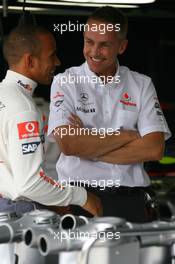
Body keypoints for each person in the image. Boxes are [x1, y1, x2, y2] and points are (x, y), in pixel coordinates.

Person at [48, 6, 171, 223]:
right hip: (80, 200)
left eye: (104, 44)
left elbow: (154, 148)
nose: (94, 52)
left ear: (122, 46)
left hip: (131, 202)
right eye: (89, 42)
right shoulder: (65, 81)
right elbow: (69, 145)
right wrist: (128, 136)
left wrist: (88, 144)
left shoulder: (141, 84)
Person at [0, 25, 102, 216]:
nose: (57, 62)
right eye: (52, 55)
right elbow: (29, 184)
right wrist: (83, 197)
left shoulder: (4, 95)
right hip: (17, 213)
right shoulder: (24, 109)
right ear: (30, 60)